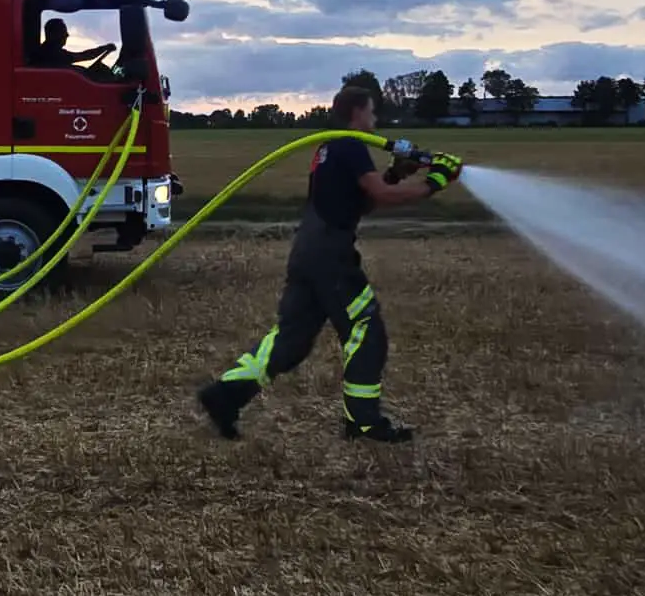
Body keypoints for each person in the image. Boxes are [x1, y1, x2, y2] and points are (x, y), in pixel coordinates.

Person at [195, 84, 462, 444]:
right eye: (372, 111)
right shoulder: (350, 145)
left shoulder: (329, 148)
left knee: (291, 341)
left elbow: (361, 201)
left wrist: (398, 173)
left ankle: (224, 395)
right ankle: (364, 423)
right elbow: (382, 197)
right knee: (366, 329)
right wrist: (435, 181)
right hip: (330, 257)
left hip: (308, 251)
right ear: (357, 113)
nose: (375, 119)